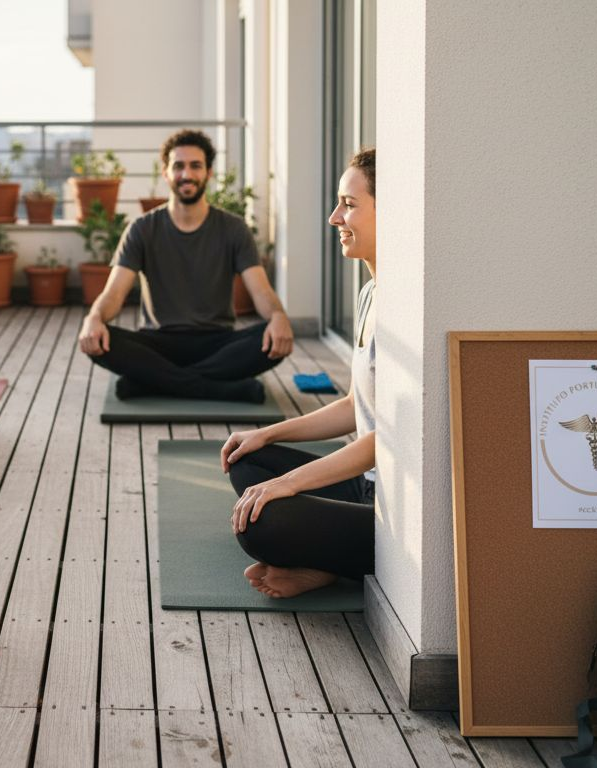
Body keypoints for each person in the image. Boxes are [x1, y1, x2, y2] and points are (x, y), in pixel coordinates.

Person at [220, 148, 377, 598]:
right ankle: (325, 564)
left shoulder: (407, 311)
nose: (334, 217)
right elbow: (354, 407)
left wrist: (285, 485)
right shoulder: (370, 294)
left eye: (349, 204)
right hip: (360, 484)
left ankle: (328, 565)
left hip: (389, 514)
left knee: (262, 523)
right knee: (246, 460)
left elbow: (386, 442)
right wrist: (268, 435)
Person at [77, 129, 293, 402]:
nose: (186, 174)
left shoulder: (234, 229)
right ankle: (214, 389)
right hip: (158, 342)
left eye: (195, 166)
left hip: (217, 343)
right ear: (165, 173)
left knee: (271, 336)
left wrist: (278, 316)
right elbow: (114, 293)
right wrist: (94, 318)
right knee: (100, 340)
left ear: (209, 173)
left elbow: (261, 292)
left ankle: (154, 382)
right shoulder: (142, 229)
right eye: (178, 166)